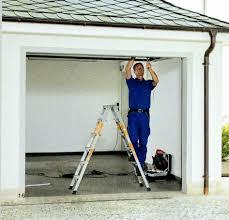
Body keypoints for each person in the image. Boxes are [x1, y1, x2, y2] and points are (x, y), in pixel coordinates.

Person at [124, 57, 159, 175]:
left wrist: (150, 69)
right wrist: (132, 59)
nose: (141, 69)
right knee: (133, 139)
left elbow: (156, 80)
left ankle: (141, 163)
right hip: (133, 115)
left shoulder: (148, 84)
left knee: (143, 141)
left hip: (144, 116)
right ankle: (138, 159)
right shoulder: (131, 82)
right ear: (135, 71)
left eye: (142, 68)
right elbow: (127, 70)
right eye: (138, 68)